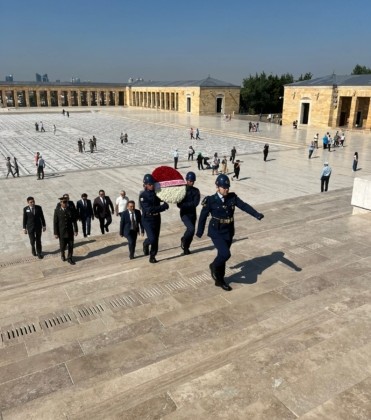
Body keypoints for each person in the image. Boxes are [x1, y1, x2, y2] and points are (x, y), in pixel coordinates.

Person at [196, 174, 264, 291]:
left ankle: (220, 279)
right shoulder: (210, 200)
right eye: (224, 187)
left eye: (228, 187)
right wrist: (199, 232)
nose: (226, 189)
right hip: (216, 231)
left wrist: (256, 214)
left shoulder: (232, 197)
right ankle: (214, 266)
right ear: (217, 187)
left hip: (228, 231)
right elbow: (202, 217)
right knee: (226, 254)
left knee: (222, 255)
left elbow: (244, 206)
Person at [139, 174, 169, 263]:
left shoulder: (157, 193)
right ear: (145, 185)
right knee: (152, 239)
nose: (152, 185)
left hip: (156, 218)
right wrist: (163, 207)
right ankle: (146, 243)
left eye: (152, 184)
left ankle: (152, 256)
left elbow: (164, 197)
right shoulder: (143, 196)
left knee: (156, 238)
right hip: (147, 219)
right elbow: (149, 209)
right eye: (150, 184)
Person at [177, 171, 200, 255]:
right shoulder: (182, 190)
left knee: (192, 233)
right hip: (184, 214)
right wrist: (188, 205)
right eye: (189, 180)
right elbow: (179, 204)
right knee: (191, 229)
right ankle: (183, 239)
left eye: (192, 181)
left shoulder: (196, 191)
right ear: (186, 180)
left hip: (192, 214)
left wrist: (185, 205)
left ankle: (186, 248)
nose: (191, 182)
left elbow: (196, 203)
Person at [54, 196, 78, 264]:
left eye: (66, 202)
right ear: (60, 202)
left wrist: (76, 230)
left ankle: (70, 258)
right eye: (64, 202)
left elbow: (74, 221)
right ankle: (62, 254)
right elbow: (55, 222)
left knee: (71, 245)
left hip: (70, 231)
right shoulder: (57, 211)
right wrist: (55, 233)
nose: (65, 203)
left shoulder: (70, 209)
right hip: (61, 232)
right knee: (62, 246)